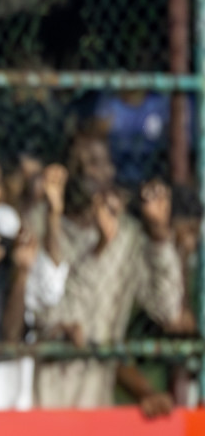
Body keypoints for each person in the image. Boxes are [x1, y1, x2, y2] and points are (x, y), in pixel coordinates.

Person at [29, 131, 183, 408]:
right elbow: (50, 316)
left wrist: (160, 237)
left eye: (97, 163)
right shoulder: (38, 223)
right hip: (40, 400)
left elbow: (167, 310)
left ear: (111, 171)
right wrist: (100, 250)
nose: (87, 172)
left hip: (95, 405)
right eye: (79, 163)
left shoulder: (127, 235)